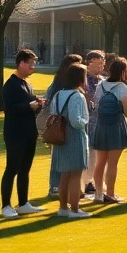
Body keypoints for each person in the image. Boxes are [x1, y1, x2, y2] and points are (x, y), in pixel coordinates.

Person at [0, 49, 45, 219]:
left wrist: (38, 105)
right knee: (12, 168)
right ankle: (6, 205)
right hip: (15, 133)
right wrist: (30, 106)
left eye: (34, 63)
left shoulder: (27, 84)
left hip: (29, 132)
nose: (33, 67)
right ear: (21, 63)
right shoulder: (11, 85)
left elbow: (29, 108)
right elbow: (10, 109)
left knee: (25, 169)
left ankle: (23, 203)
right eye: (30, 63)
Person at [49, 63, 91, 218]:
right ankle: (74, 209)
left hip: (60, 136)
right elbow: (76, 121)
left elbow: (53, 113)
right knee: (75, 173)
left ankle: (63, 207)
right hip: (74, 136)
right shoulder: (77, 96)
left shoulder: (58, 94)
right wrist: (85, 120)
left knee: (65, 174)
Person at [91, 56, 127, 204]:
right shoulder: (121, 87)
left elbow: (96, 106)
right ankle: (110, 193)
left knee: (100, 162)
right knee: (112, 163)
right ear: (123, 72)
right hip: (117, 126)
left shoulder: (101, 85)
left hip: (101, 125)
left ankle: (98, 193)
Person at [45, 53, 84, 199]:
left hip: (58, 125)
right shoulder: (66, 88)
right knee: (64, 159)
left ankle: (60, 187)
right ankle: (59, 187)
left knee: (59, 157)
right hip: (63, 126)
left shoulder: (58, 83)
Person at [80, 50, 106, 197]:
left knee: (98, 154)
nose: (101, 66)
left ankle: (94, 181)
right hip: (87, 120)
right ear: (88, 63)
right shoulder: (83, 79)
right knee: (89, 152)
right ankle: (86, 182)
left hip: (100, 122)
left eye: (102, 63)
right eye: (97, 63)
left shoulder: (102, 80)